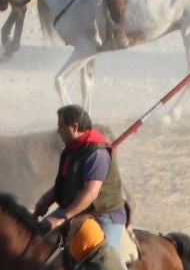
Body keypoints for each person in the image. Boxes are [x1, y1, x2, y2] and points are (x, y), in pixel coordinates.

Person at [34, 104, 129, 248]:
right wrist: (45, 200)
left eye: (61, 126)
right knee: (36, 238)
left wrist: (62, 218)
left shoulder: (97, 154)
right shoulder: (72, 150)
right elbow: (66, 182)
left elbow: (90, 193)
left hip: (103, 214)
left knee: (102, 263)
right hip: (76, 208)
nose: (58, 131)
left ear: (74, 127)